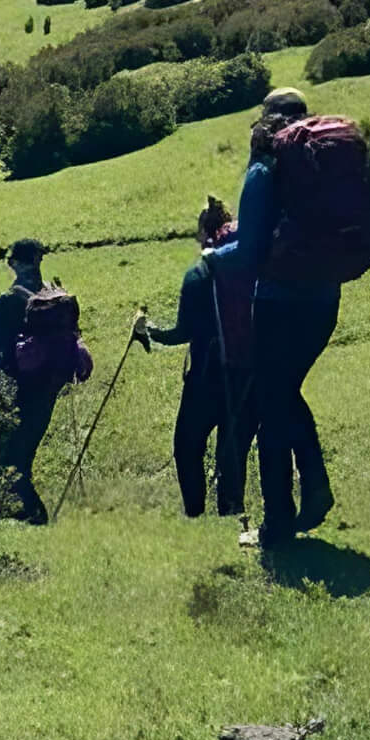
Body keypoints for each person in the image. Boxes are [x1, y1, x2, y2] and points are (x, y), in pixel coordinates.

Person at [209, 88, 342, 547]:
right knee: (285, 394)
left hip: (279, 303)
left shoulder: (265, 170)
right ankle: (316, 491)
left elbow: (248, 253)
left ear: (264, 123)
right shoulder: (321, 165)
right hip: (324, 299)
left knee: (271, 410)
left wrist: (211, 258)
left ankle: (277, 526)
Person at [144, 197, 258, 520]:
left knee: (187, 446)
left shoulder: (200, 273)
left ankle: (195, 513)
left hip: (207, 377)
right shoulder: (250, 262)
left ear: (203, 232)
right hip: (250, 371)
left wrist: (151, 331)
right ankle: (232, 513)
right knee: (233, 450)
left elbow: (184, 332)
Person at [0, 238, 86, 524]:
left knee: (10, 459)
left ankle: (35, 517)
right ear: (39, 260)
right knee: (22, 455)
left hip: (17, 390)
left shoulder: (9, 300)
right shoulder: (54, 299)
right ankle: (21, 516)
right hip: (48, 389)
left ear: (15, 263)